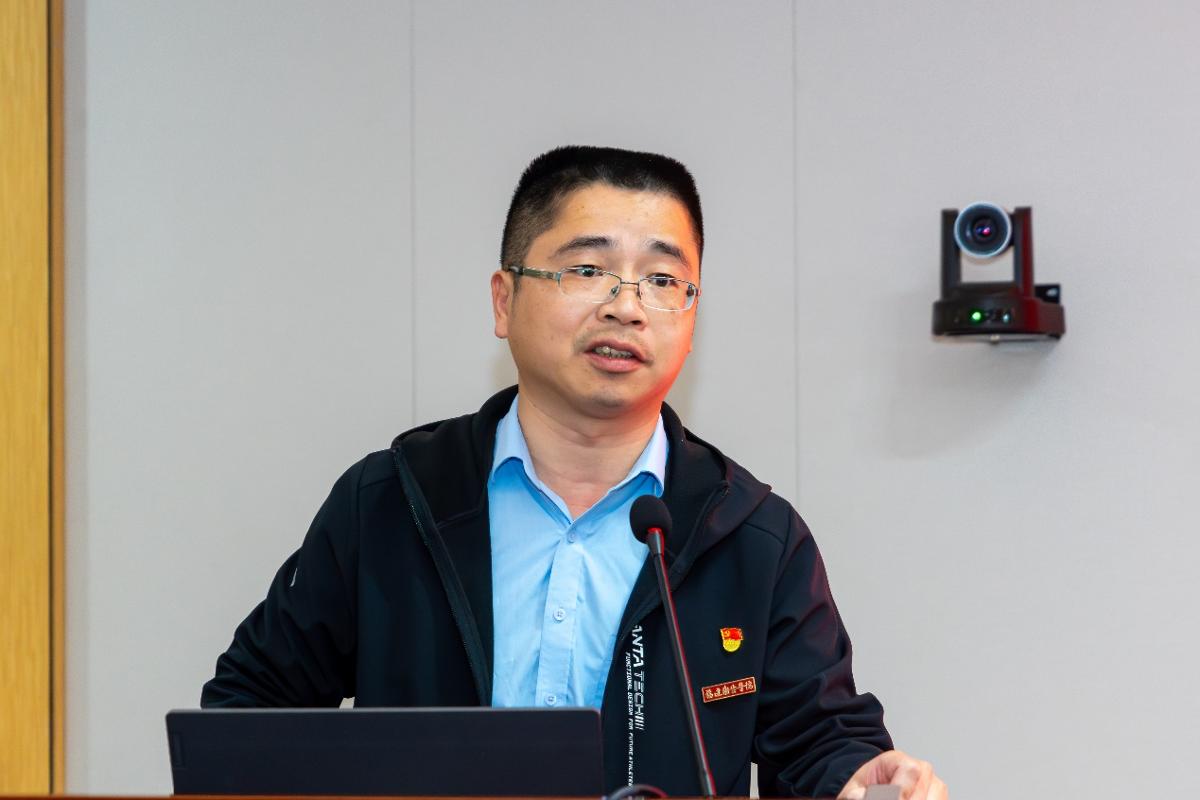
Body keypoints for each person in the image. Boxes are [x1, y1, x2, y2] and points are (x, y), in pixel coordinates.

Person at [202, 145, 948, 799]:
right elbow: (250, 709)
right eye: (589, 269)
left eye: (664, 280)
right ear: (505, 300)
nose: (628, 307)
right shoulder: (393, 501)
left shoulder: (752, 537)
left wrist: (859, 777)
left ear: (692, 318)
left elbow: (818, 741)